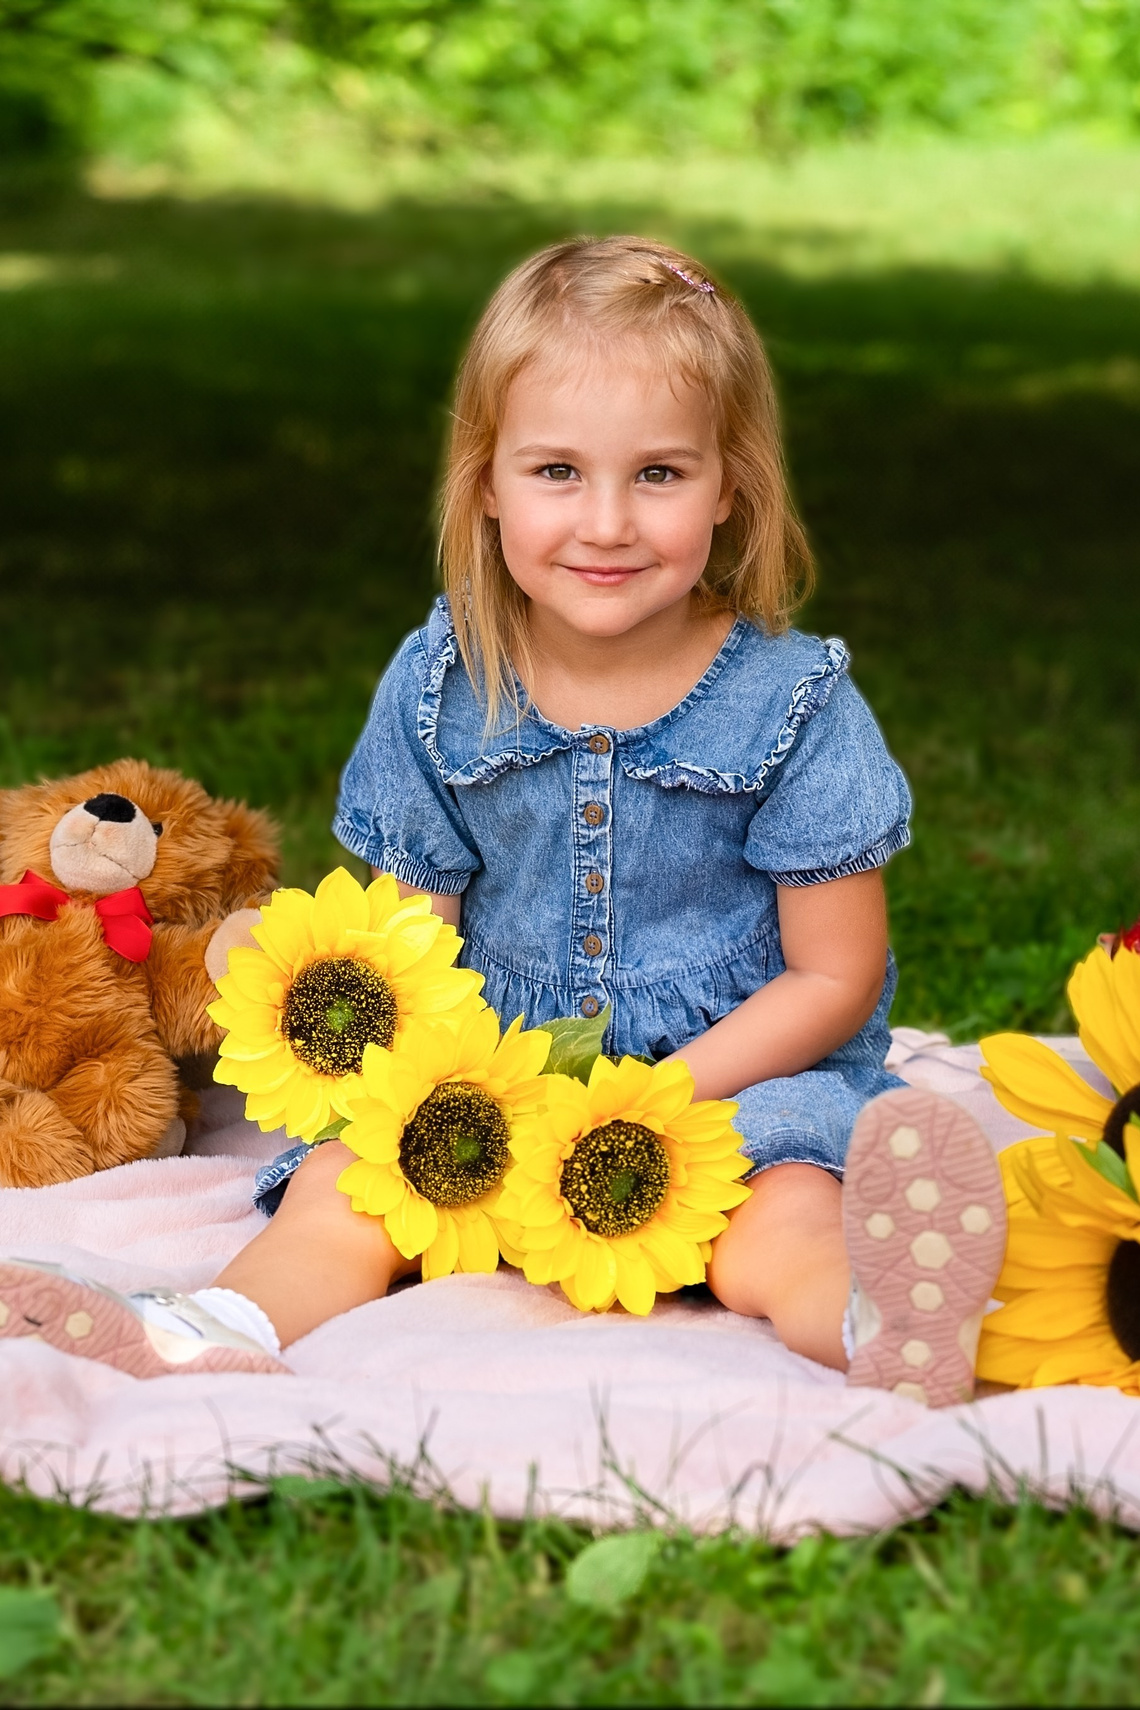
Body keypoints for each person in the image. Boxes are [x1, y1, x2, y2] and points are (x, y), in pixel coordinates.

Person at [0, 237, 1006, 1401]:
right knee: (346, 1191)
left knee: (780, 1212)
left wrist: (662, 1095)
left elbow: (834, 977)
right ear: (485, 480)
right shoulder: (442, 685)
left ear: (733, 484)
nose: (609, 523)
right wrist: (351, 1032)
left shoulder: (792, 705)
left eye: (662, 475)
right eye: (558, 472)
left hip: (729, 1080)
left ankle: (883, 1321)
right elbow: (408, 946)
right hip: (483, 1081)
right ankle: (206, 1319)